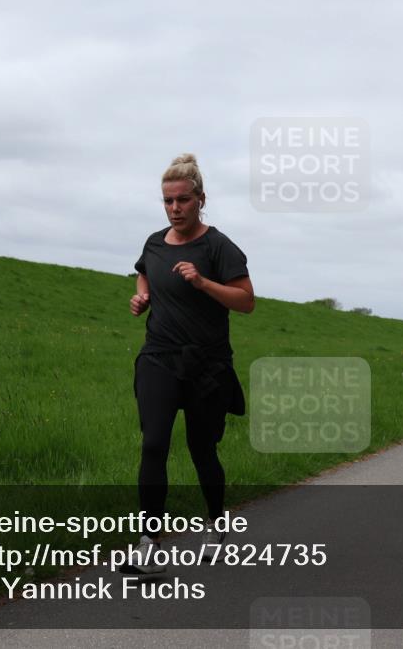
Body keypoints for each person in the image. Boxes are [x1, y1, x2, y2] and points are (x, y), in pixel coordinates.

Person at [128, 154, 255, 573]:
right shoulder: (153, 242)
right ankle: (149, 543)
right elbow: (144, 272)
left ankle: (217, 523)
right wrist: (141, 297)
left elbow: (246, 302)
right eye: (167, 201)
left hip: (207, 365)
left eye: (183, 200)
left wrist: (202, 282)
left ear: (201, 199)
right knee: (154, 444)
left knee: (202, 449)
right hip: (159, 358)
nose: (175, 209)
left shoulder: (218, 246)